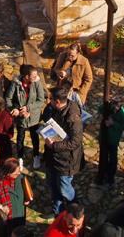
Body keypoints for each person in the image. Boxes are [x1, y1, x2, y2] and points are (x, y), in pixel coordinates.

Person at [42, 86, 84, 218]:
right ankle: (57, 212)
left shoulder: (73, 118)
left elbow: (75, 141)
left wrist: (54, 146)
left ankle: (76, 212)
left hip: (66, 161)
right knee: (53, 185)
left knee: (65, 188)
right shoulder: (55, 110)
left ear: (58, 102)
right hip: (53, 158)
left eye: (51, 99)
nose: (49, 102)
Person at [6, 64, 47, 170]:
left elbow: (41, 100)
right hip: (20, 117)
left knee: (35, 137)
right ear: (27, 77)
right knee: (20, 137)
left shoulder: (37, 83)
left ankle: (36, 155)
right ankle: (20, 158)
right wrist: (16, 111)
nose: (35, 78)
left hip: (33, 116)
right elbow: (8, 100)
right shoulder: (16, 84)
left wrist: (28, 109)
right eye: (33, 76)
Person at [94, 98, 124, 189]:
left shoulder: (123, 114)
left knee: (112, 159)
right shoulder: (106, 105)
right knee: (103, 156)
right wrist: (100, 115)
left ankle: (111, 177)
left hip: (113, 140)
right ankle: (102, 172)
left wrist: (113, 123)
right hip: (104, 137)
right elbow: (99, 109)